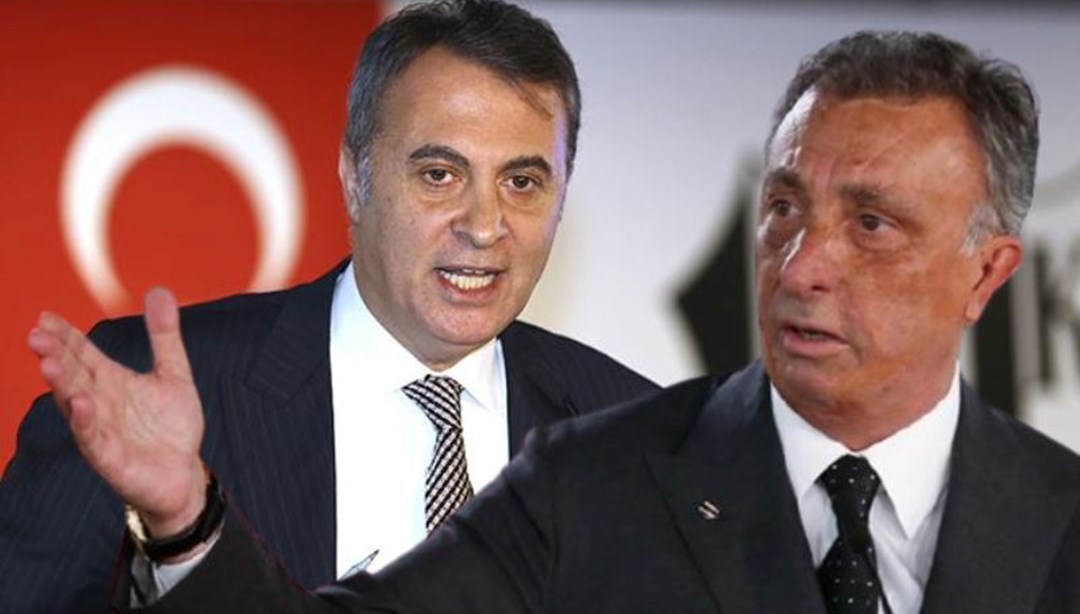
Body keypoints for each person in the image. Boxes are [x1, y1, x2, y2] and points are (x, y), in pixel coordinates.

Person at [33, 29, 1080, 614]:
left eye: (873, 225)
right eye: (782, 210)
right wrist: (189, 520)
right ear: (354, 175)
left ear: (987, 272)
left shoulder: (617, 422)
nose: (804, 267)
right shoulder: (601, 469)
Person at [0, 1, 660, 611]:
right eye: (440, 175)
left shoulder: (637, 434)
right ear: (354, 178)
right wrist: (180, 534)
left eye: (521, 182)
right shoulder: (149, 386)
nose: (485, 226)